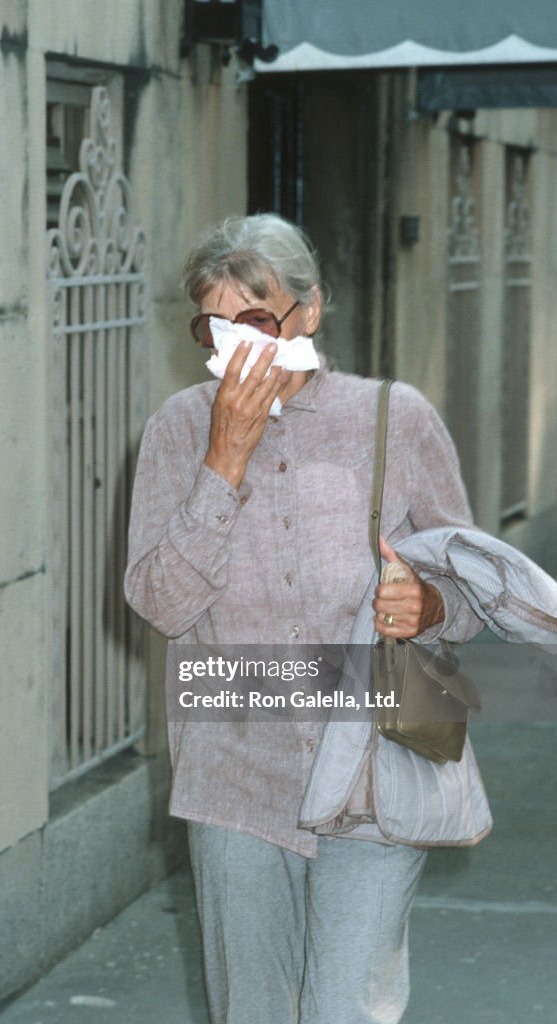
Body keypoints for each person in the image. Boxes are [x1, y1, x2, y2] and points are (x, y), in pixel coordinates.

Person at [124, 213, 483, 1024]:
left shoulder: (395, 417)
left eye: (253, 320)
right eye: (212, 328)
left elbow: (465, 592)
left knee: (343, 1009)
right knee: (252, 1009)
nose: (234, 350)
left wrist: (428, 605)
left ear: (308, 312)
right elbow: (159, 602)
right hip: (234, 772)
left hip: (375, 760)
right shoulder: (180, 429)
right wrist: (224, 459)